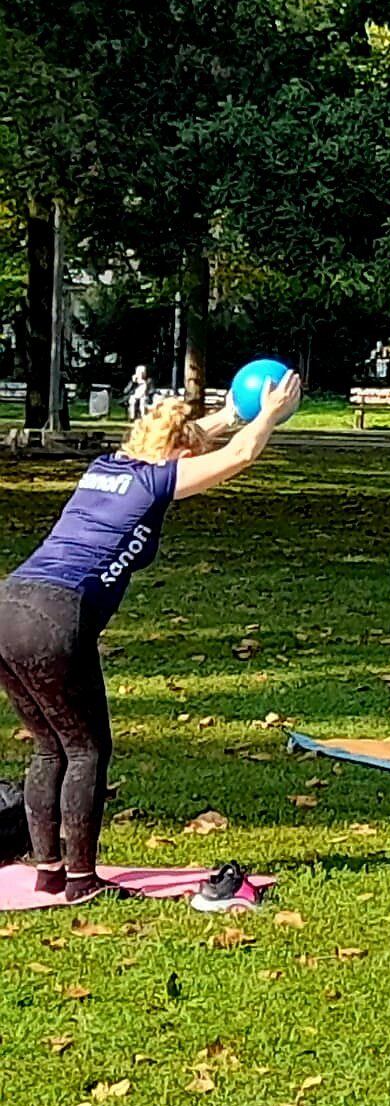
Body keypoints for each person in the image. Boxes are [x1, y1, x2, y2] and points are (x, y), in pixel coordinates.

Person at [0, 376, 301, 902]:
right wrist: (268, 415)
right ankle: (82, 881)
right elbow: (240, 456)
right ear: (180, 455)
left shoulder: (107, 467)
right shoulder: (153, 482)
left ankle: (49, 871)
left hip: (8, 605)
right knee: (87, 750)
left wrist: (228, 412)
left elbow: (169, 438)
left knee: (49, 749)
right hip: (54, 615)